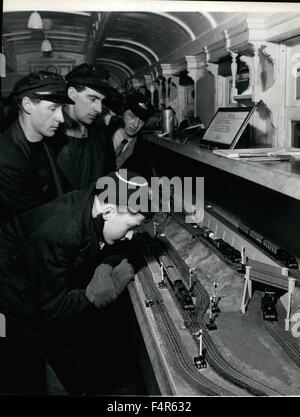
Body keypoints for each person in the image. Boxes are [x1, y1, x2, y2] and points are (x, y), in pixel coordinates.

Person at [0, 169, 153, 395]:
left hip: (37, 275)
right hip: (10, 294)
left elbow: (111, 243)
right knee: (25, 375)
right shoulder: (61, 231)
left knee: (70, 358)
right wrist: (94, 296)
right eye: (131, 227)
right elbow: (53, 310)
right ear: (110, 211)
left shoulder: (96, 203)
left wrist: (107, 263)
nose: (131, 235)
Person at [0, 71, 74, 225]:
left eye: (62, 108)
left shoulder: (45, 143)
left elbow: (63, 192)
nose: (61, 118)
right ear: (28, 105)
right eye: (53, 108)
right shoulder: (6, 157)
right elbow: (32, 220)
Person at [54, 64, 119, 189]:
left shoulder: (101, 136)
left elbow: (110, 178)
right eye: (93, 99)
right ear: (72, 94)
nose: (99, 109)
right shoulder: (49, 135)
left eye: (101, 101)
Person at [112, 91, 154, 174]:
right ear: (122, 113)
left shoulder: (142, 149)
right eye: (132, 116)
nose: (136, 125)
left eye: (141, 120)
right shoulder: (104, 135)